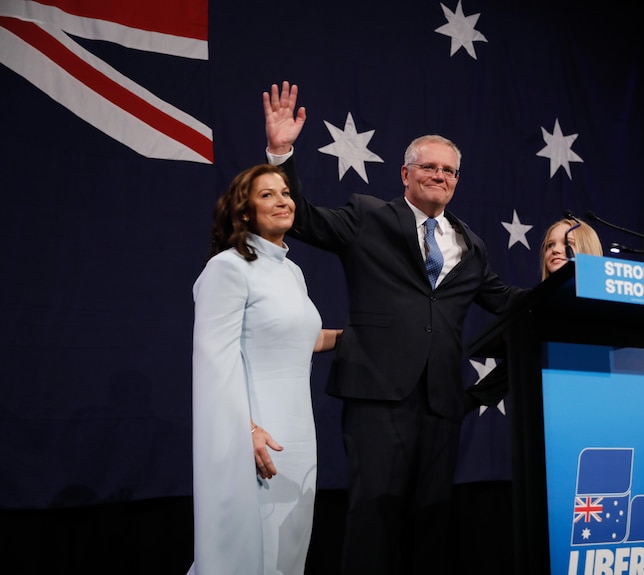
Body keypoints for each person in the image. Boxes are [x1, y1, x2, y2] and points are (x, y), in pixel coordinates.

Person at [262, 81, 526, 575]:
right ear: (405, 174)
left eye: (449, 171)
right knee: (372, 519)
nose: (439, 176)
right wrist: (280, 152)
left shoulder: (471, 244)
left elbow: (507, 302)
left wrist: (570, 286)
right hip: (377, 397)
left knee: (431, 524)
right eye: (429, 167)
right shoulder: (368, 216)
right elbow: (305, 222)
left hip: (442, 405)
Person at [189, 164, 341, 574]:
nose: (283, 201)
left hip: (298, 436)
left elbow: (301, 340)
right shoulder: (228, 267)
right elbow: (213, 361)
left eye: (286, 192)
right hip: (255, 435)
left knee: (285, 555)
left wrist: (358, 335)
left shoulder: (292, 271)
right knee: (243, 555)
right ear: (243, 212)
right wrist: (247, 430)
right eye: (268, 195)